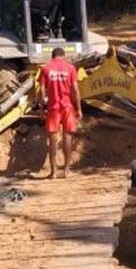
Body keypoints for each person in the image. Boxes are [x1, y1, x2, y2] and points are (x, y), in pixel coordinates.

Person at [39, 47, 82, 179]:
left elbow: (42, 91)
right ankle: (67, 171)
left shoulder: (45, 69)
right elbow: (75, 89)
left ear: (52, 56)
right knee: (67, 138)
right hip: (68, 107)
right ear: (63, 56)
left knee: (52, 139)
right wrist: (78, 108)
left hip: (53, 107)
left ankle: (53, 173)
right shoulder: (70, 68)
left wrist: (41, 108)